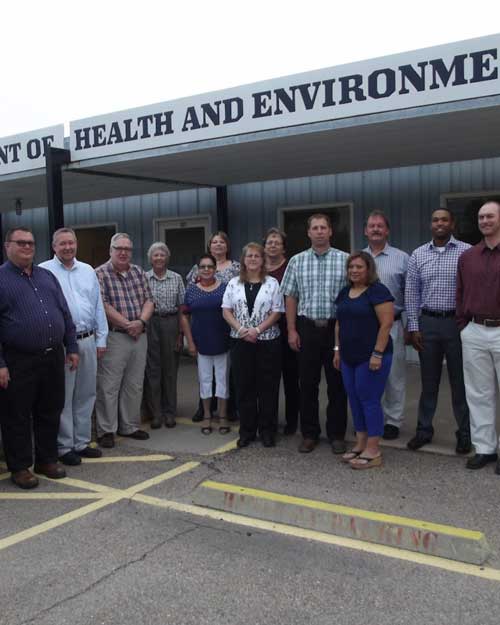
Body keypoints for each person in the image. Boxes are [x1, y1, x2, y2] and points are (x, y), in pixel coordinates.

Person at [0, 227, 78, 489]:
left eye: (31, 243)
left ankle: (46, 459)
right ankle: (21, 467)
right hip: (18, 360)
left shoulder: (47, 276)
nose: (27, 247)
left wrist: (73, 347)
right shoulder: (1, 279)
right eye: (21, 243)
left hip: (53, 356)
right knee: (17, 415)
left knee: (50, 409)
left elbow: (64, 314)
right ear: (7, 246)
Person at [280, 213, 348, 454]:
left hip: (335, 330)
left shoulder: (345, 260)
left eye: (323, 228)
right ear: (308, 233)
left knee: (337, 384)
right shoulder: (297, 262)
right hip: (306, 328)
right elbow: (290, 296)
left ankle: (337, 434)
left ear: (330, 232)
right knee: (307, 384)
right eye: (315, 228)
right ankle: (309, 433)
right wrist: (291, 330)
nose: (319, 231)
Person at [40, 228, 108, 466]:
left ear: (76, 245)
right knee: (64, 397)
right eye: (62, 244)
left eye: (71, 243)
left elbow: (98, 305)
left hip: (88, 340)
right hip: (64, 344)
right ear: (54, 247)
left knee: (86, 393)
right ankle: (64, 446)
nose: (67, 247)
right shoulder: (44, 271)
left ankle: (81, 442)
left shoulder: (88, 270)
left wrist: (102, 339)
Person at [405, 208, 471, 452]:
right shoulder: (418, 254)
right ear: (431, 225)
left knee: (459, 383)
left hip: (456, 324)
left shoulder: (467, 252)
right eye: (435, 220)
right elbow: (411, 293)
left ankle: (465, 433)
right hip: (428, 324)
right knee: (429, 382)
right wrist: (413, 326)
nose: (440, 223)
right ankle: (424, 430)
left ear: (452, 223)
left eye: (444, 219)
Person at [334, 252, 394, 469]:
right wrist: (337, 350)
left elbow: (387, 324)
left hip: (372, 357)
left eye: (359, 267)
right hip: (349, 356)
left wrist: (377, 353)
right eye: (351, 267)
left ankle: (373, 449)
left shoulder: (378, 291)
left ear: (368, 269)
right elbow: (339, 324)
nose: (354, 271)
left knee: (369, 399)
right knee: (354, 397)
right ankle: (360, 443)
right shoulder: (344, 292)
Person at [95, 233, 154, 448]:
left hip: (140, 335)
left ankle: (129, 426)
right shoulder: (99, 274)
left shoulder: (138, 272)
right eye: (118, 248)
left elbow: (149, 300)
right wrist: (127, 324)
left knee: (134, 384)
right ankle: (106, 431)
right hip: (115, 336)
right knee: (108, 386)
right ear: (110, 250)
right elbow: (102, 304)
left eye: (127, 249)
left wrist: (140, 322)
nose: (123, 252)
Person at [222, 243, 283, 447]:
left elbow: (277, 311)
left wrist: (257, 330)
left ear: (262, 260)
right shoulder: (233, 283)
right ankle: (247, 431)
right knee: (244, 387)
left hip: (267, 342)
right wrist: (241, 330)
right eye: (249, 256)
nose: (253, 259)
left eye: (257, 256)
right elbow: (226, 311)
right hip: (240, 342)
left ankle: (267, 431)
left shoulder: (272, 283)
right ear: (244, 260)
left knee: (268, 388)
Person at [457, 200, 500, 472]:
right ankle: (485, 449)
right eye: (481, 217)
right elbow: (459, 293)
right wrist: (463, 325)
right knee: (478, 393)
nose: (485, 221)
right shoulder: (468, 256)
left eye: (490, 216)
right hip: (474, 330)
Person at [364, 211, 409, 440]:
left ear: (387, 230)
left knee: (393, 374)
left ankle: (393, 420)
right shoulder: (358, 258)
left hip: (392, 324)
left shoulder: (402, 258)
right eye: (372, 226)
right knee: (367, 374)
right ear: (365, 231)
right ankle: (372, 418)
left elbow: (410, 294)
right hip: (364, 326)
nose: (376, 229)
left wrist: (411, 326)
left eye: (380, 226)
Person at [187, 231, 240, 423]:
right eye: (214, 242)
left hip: (225, 328)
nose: (218, 245)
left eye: (222, 242)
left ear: (227, 246)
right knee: (205, 375)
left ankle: (228, 410)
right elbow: (191, 298)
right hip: (204, 329)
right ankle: (206, 410)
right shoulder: (197, 269)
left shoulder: (236, 267)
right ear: (210, 246)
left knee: (226, 374)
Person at [181, 254, 231, 434]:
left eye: (210, 266)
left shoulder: (225, 288)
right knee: (205, 380)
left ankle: (223, 415)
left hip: (222, 341)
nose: (207, 269)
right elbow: (184, 317)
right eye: (203, 266)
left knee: (222, 379)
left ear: (215, 268)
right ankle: (207, 416)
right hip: (201, 343)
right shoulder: (192, 290)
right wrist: (190, 343)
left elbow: (232, 313)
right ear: (198, 269)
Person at [143, 242, 185, 429]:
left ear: (167, 258)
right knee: (153, 370)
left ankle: (170, 412)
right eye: (155, 255)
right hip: (151, 323)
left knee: (170, 370)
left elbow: (182, 308)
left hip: (171, 323)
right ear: (150, 258)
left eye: (162, 255)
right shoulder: (143, 278)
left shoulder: (176, 278)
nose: (159, 258)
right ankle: (156, 413)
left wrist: (180, 334)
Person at [264, 227, 300, 435]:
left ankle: (292, 420)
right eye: (269, 242)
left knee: (291, 377)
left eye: (277, 242)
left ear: (283, 247)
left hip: (287, 328)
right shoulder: (258, 267)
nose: (273, 245)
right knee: (268, 378)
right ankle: (269, 419)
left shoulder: (290, 267)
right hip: (264, 332)